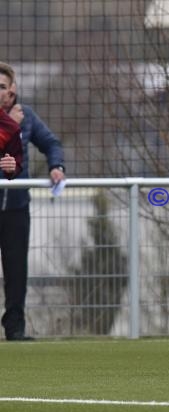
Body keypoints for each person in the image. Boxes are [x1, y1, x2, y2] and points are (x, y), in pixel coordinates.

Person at [0, 61, 65, 341]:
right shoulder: (14, 121)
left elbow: (51, 143)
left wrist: (56, 165)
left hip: (16, 208)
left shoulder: (27, 116)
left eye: (2, 87)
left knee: (16, 271)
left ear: (12, 90)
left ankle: (15, 329)